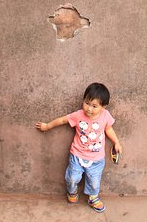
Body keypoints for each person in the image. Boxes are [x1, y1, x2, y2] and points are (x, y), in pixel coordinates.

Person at [36, 82, 123, 213]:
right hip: (77, 155)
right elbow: (62, 120)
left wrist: (116, 142)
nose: (89, 108)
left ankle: (93, 198)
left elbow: (109, 129)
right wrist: (47, 126)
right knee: (72, 178)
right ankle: (72, 192)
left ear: (103, 107)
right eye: (87, 103)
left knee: (94, 182)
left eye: (94, 106)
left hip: (96, 159)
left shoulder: (105, 116)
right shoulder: (78, 115)